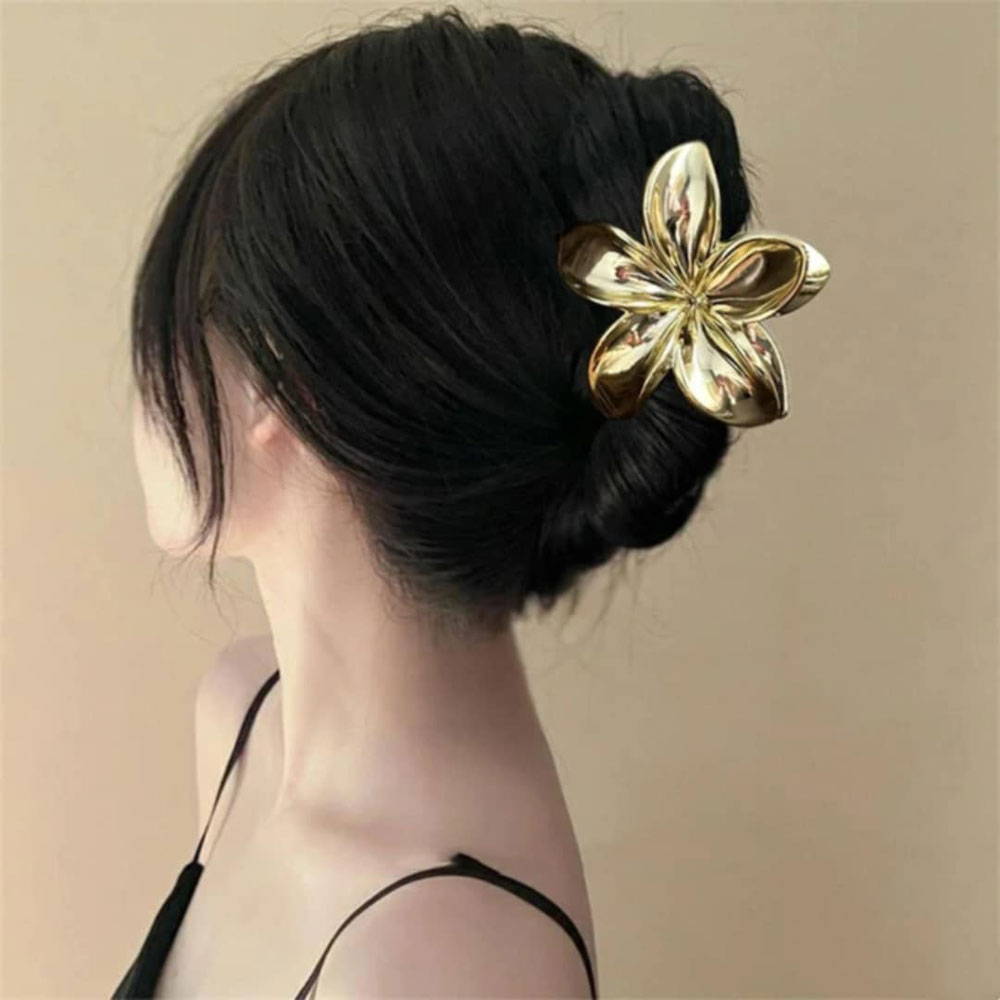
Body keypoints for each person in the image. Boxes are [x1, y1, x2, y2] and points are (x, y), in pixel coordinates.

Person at [120, 4, 775, 996]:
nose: (140, 378)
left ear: (275, 384)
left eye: (174, 321)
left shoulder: (443, 958)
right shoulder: (242, 717)